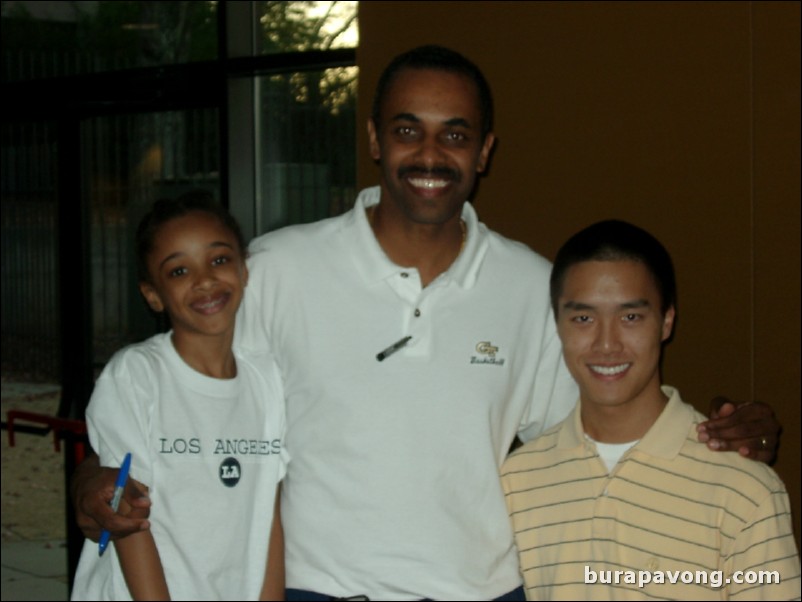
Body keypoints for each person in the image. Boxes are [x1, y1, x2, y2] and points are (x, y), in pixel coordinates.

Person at [72, 46, 781, 600]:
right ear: (377, 139)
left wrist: (717, 439)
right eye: (409, 131)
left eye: (455, 135)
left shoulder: (533, 286)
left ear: (484, 152)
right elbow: (190, 413)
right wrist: (93, 488)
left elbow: (596, 429)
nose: (431, 156)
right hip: (316, 592)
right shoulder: (279, 269)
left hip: (488, 594)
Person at [501, 220, 801, 600]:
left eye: (630, 317)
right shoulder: (516, 483)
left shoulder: (743, 488)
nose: (606, 344)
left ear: (667, 321)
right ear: (557, 325)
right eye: (583, 318)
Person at [70, 193, 288, 600]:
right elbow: (128, 520)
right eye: (179, 271)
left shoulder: (267, 380)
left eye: (219, 260)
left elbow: (268, 516)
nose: (204, 280)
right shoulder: (136, 375)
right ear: (153, 295)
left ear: (244, 270)